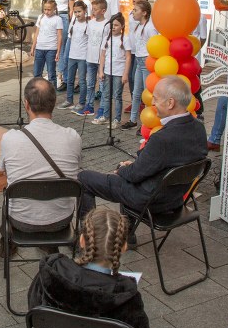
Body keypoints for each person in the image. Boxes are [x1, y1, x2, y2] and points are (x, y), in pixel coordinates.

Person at [78, 76, 208, 247]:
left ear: (170, 103)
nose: (152, 102)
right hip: (175, 198)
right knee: (129, 171)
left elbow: (135, 174)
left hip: (150, 199)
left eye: (156, 98)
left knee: (84, 178)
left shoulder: (163, 139)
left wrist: (122, 170)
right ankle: (127, 234)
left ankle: (87, 241)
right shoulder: (198, 127)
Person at [27, 208, 151, 328]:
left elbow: (33, 309)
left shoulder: (52, 272)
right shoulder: (125, 296)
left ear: (82, 241)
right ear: (124, 247)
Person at [0, 78, 81, 256]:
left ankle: (7, 244)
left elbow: (3, 171)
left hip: (21, 221)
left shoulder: (10, 138)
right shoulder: (72, 137)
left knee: (8, 189)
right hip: (61, 220)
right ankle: (51, 246)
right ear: (54, 102)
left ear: (26, 104)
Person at [121, 0, 157, 130]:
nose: (133, 12)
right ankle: (133, 119)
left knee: (147, 93)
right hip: (139, 60)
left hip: (147, 61)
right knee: (136, 92)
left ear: (144, 13)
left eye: (136, 10)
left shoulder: (150, 27)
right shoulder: (138, 26)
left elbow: (154, 46)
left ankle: (147, 123)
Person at [93, 13, 128, 127]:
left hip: (119, 72)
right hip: (107, 71)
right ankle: (106, 116)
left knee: (117, 96)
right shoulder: (106, 39)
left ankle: (117, 119)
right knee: (106, 95)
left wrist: (125, 74)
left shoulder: (125, 39)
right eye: (112, 25)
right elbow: (102, 55)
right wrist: (101, 70)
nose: (113, 27)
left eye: (116, 25)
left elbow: (128, 58)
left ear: (122, 26)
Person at [44, 0, 75, 90]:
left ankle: (60, 74)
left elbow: (71, 9)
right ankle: (50, 72)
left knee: (61, 47)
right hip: (51, 16)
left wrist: (70, 22)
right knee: (50, 44)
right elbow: (46, 5)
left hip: (62, 16)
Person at [57, 1, 89, 113]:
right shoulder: (74, 22)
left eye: (79, 11)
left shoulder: (88, 24)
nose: (77, 14)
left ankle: (81, 102)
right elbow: (70, 38)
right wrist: (67, 54)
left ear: (85, 11)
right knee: (70, 80)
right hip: (72, 56)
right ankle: (69, 100)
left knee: (82, 81)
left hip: (83, 57)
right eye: (75, 12)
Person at [79, 0, 109, 116]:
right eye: (92, 9)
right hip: (90, 58)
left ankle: (102, 108)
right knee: (90, 83)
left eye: (95, 9)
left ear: (103, 10)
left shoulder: (107, 24)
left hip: (101, 59)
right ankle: (89, 106)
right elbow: (87, 38)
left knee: (102, 85)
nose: (93, 11)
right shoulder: (90, 23)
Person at [125, 0, 149, 113]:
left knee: (137, 78)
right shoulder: (131, 13)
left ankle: (142, 102)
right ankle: (135, 101)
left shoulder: (147, 20)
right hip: (132, 49)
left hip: (141, 52)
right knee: (130, 76)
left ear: (144, 0)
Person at [30, 0, 63, 88]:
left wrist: (58, 51)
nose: (46, 12)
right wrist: (33, 47)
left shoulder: (58, 19)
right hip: (39, 48)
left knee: (51, 73)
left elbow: (59, 36)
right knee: (37, 73)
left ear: (54, 9)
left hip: (51, 49)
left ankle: (52, 96)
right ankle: (37, 93)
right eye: (45, 9)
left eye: (49, 10)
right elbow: (37, 33)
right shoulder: (41, 17)